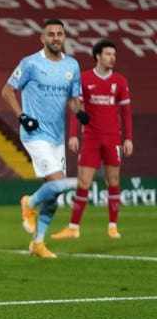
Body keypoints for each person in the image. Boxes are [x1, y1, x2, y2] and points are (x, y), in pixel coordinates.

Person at [1, 18, 90, 258]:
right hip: (34, 133)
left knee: (54, 193)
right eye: (51, 34)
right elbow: (7, 91)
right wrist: (22, 117)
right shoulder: (30, 63)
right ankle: (28, 203)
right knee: (58, 183)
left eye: (59, 34)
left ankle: (37, 243)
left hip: (57, 137)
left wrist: (79, 111)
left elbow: (73, 98)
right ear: (42, 38)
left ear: (64, 37)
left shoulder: (72, 65)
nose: (56, 38)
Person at [52, 39, 133, 240]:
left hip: (113, 138)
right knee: (83, 182)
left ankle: (113, 225)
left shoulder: (120, 81)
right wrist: (72, 135)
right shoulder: (85, 78)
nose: (112, 58)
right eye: (108, 54)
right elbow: (75, 107)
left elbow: (126, 112)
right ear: (98, 56)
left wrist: (128, 139)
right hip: (90, 138)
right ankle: (73, 227)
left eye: (114, 55)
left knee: (113, 180)